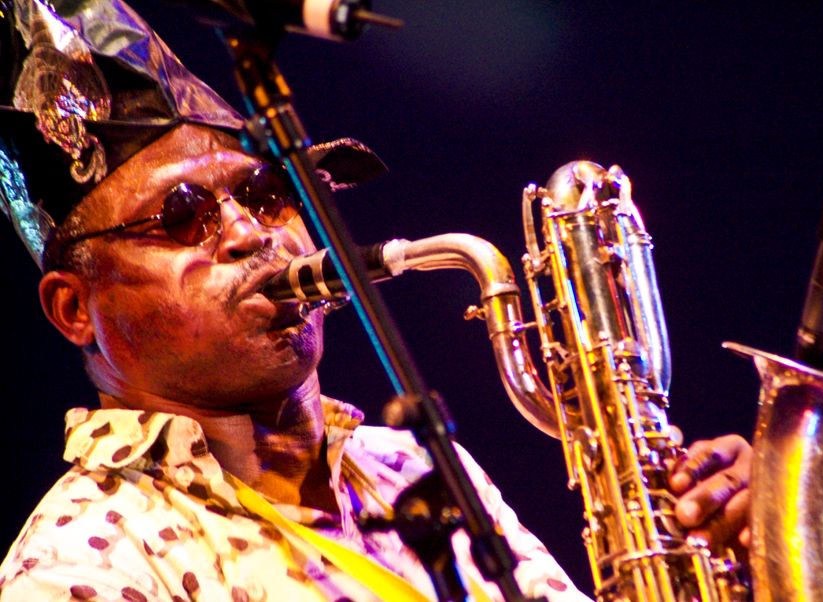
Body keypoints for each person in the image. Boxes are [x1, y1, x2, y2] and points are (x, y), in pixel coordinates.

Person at [0, 1, 751, 601]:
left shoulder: (417, 465)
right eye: (183, 215)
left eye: (267, 196)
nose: (247, 234)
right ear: (73, 309)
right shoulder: (78, 562)